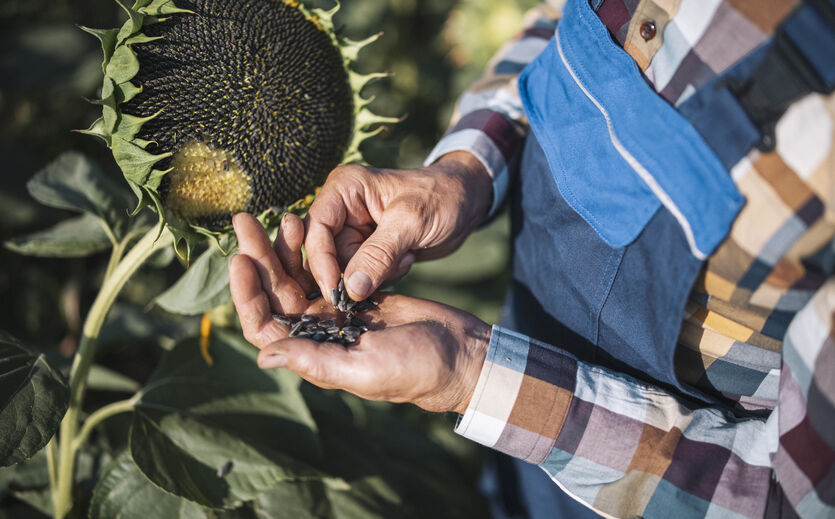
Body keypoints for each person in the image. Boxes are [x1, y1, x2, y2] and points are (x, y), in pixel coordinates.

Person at [228, 0, 835, 516]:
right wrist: (466, 169)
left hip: (652, 482)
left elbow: (788, 498)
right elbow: (562, 21)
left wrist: (471, 374)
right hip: (510, 389)